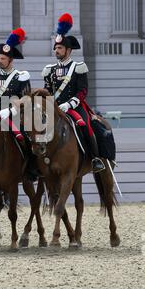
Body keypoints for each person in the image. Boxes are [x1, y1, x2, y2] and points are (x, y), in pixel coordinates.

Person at [42, 13, 105, 172]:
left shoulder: (78, 67)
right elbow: (48, 90)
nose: (57, 50)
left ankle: (95, 158)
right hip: (55, 107)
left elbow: (83, 91)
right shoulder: (49, 70)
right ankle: (36, 163)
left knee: (85, 125)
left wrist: (70, 103)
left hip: (74, 107)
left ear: (68, 50)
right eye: (56, 48)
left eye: (60, 48)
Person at [0, 28, 39, 182]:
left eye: (3, 59)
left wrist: (11, 110)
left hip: (15, 115)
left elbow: (26, 99)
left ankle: (31, 168)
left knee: (26, 137)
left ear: (11, 60)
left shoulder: (21, 77)